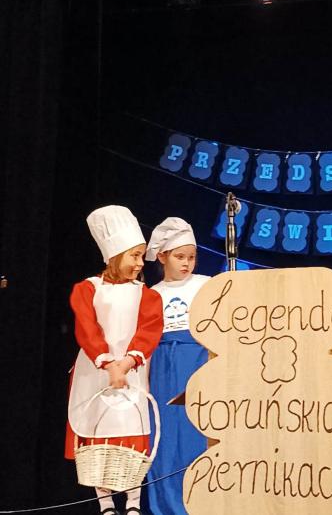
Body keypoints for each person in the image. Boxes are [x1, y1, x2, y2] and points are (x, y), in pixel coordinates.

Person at [65, 205, 164, 515]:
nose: (140, 263)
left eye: (141, 256)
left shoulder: (146, 294)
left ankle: (133, 502)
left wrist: (128, 362)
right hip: (95, 371)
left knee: (131, 433)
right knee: (98, 435)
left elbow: (149, 329)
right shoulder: (87, 290)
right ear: (114, 256)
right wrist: (107, 362)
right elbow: (87, 328)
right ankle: (105, 503)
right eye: (134, 256)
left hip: (132, 371)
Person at [145, 217, 210, 515]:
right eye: (179, 257)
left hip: (198, 361)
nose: (186, 263)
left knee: (198, 433)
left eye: (191, 257)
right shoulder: (152, 293)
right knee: (165, 437)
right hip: (163, 366)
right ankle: (165, 507)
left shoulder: (206, 285)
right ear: (162, 257)